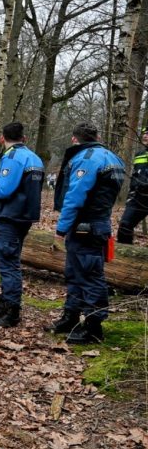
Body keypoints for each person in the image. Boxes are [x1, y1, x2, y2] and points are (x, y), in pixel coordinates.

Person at [52, 122, 125, 344]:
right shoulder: (113, 157)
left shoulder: (87, 159)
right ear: (97, 135)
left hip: (87, 225)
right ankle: (71, 316)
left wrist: (60, 229)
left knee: (90, 276)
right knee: (74, 273)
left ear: (75, 139)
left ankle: (93, 327)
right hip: (96, 223)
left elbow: (75, 196)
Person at [0, 122, 44, 327]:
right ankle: (5, 302)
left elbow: (3, 190)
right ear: (24, 138)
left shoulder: (13, 158)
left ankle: (12, 311)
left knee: (9, 265)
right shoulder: (34, 157)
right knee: (10, 262)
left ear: (2, 138)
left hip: (10, 217)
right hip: (23, 217)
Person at [117, 126, 148, 244]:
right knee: (125, 225)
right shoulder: (139, 154)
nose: (145, 135)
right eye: (144, 133)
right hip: (138, 197)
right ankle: (125, 253)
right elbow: (135, 175)